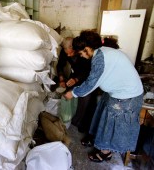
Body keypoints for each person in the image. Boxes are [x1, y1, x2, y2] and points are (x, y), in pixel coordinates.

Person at [64, 30, 143, 162]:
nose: (82, 55)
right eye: (81, 53)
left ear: (90, 47)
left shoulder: (100, 58)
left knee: (111, 121)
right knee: (101, 110)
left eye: (84, 51)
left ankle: (105, 152)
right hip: (118, 91)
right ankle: (97, 139)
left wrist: (73, 93)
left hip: (128, 95)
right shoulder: (101, 51)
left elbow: (91, 83)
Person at [54, 37, 97, 136]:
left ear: (75, 49)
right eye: (66, 52)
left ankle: (81, 122)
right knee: (68, 94)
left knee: (85, 99)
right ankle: (70, 117)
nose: (68, 55)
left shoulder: (84, 54)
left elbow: (88, 71)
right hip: (74, 76)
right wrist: (61, 78)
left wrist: (76, 79)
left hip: (87, 78)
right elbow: (60, 65)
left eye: (71, 53)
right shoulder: (65, 52)